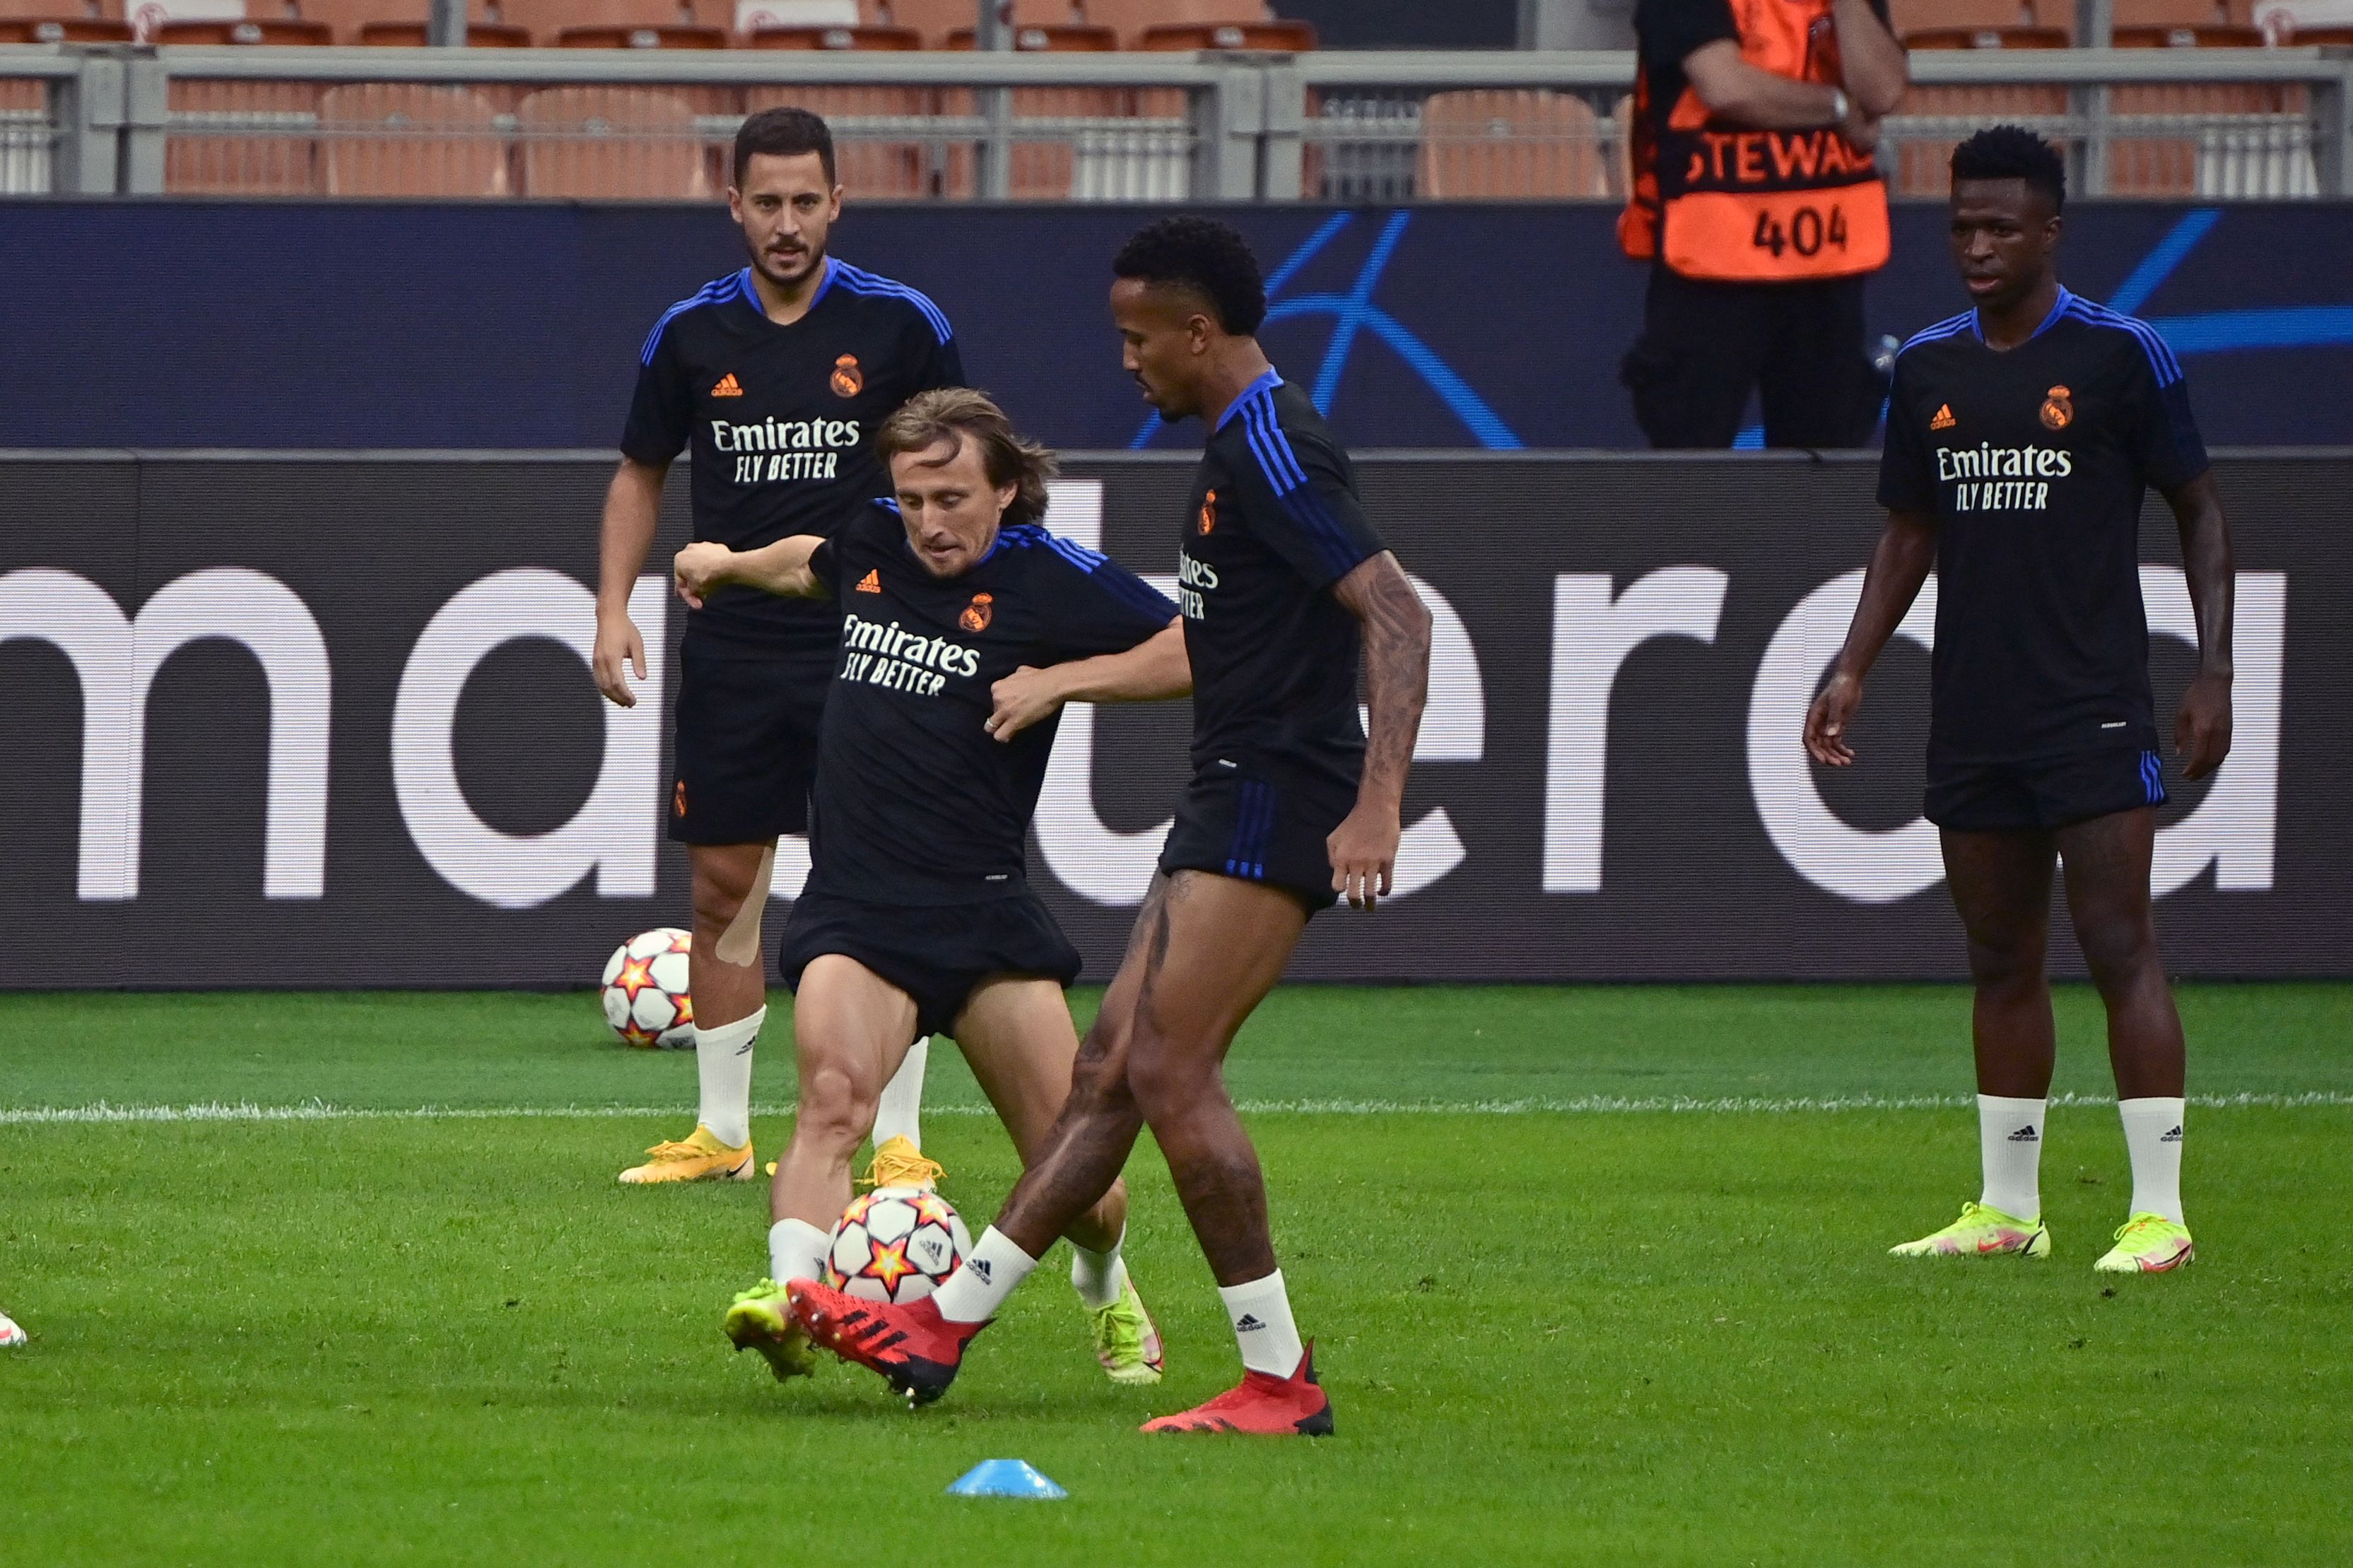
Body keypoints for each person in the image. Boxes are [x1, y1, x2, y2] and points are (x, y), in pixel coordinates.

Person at [786, 216, 1433, 1435]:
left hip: (1270, 794)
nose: (1127, 361)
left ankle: (1276, 1377)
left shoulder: (1274, 450)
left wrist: (1377, 799)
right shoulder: (1237, 444)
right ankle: (945, 1323)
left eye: (1140, 338)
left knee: (1172, 1073)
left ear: (1199, 331)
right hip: (1226, 788)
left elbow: (1395, 613)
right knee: (1109, 1072)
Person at [673, 388, 1187, 1386]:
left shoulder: (1049, 576)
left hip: (985, 915)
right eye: (912, 498)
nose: (928, 521)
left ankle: (1104, 1280)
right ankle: (792, 1298)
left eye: (951, 497)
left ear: (1005, 489)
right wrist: (731, 564)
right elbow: (809, 564)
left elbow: (1191, 648)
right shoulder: (872, 539)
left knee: (1085, 1186)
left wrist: (1063, 680)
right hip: (858, 910)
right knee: (830, 1103)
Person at [1804, 127, 2232, 1275]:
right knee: (1998, 956)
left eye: (2000, 227)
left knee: (2117, 945)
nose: (1977, 247)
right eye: (1960, 228)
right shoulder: (1930, 368)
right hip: (1974, 712)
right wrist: (1851, 663)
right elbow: (1906, 528)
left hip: (2092, 705)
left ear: (2049, 230)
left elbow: (2195, 506)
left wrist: (2210, 668)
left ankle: (2156, 1211)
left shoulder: (2118, 354)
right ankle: (2006, 1205)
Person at [594, 107, 959, 1186]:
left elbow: (962, 468)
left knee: (885, 879)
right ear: (734, 205)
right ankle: (723, 1132)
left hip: (872, 640)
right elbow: (639, 471)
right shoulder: (688, 334)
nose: (788, 223)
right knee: (722, 886)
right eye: (768, 203)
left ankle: (898, 1142)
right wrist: (612, 605)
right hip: (736, 650)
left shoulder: (903, 326)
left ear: (838, 203)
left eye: (808, 201)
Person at [1618, 0, 1908, 448]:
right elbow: (1725, 86)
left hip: (1823, 267)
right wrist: (1835, 107)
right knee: (1688, 464)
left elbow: (1883, 91)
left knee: (1821, 468)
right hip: (1712, 264)